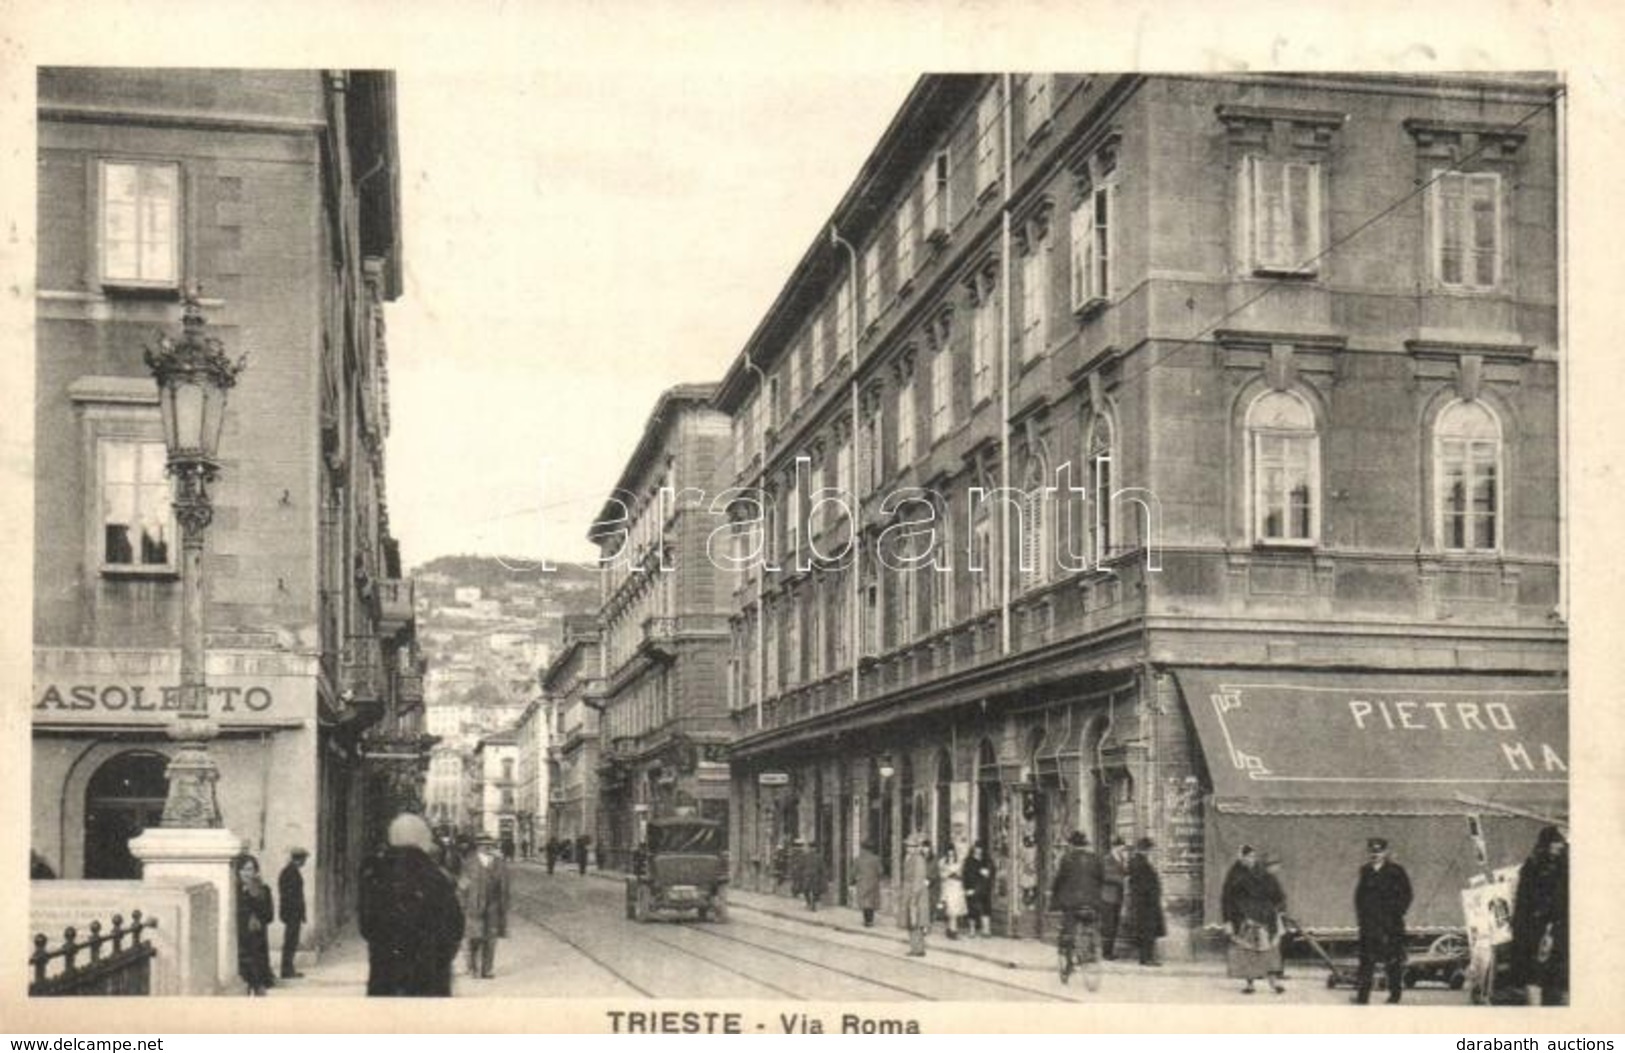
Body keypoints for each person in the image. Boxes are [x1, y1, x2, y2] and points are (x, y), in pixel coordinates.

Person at [359, 812, 466, 997]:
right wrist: (442, 956)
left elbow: (366, 926)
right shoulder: (437, 877)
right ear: (425, 840)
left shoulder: (375, 875)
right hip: (429, 977)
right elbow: (456, 927)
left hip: (386, 975)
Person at [1510, 825, 1568, 1006]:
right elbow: (1526, 900)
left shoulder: (1555, 866)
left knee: (1549, 977)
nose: (1560, 847)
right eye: (1556, 843)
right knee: (1537, 974)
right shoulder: (1537, 867)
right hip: (1539, 928)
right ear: (1548, 844)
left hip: (1548, 926)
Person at [1352, 836, 1412, 1004]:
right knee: (1366, 961)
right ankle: (1362, 996)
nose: (1375, 855)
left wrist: (1396, 914)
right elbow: (1359, 897)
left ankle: (1395, 994)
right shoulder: (1365, 871)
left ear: (1385, 853)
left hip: (1391, 925)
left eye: (1378, 852)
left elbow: (1407, 895)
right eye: (1372, 852)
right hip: (1369, 926)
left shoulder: (1396, 871)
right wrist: (1362, 919)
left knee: (1393, 961)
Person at [1221, 845, 1287, 994]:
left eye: (1253, 857)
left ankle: (1273, 983)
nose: (1251, 860)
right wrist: (1228, 920)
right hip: (1245, 918)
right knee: (1248, 952)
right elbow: (1227, 898)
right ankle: (1250, 984)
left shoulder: (1263, 873)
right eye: (1248, 857)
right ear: (1241, 858)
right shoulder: (1234, 874)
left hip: (1266, 917)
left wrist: (1278, 909)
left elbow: (1277, 894)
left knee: (1270, 950)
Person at [460, 833, 511, 979]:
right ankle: (472, 968)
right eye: (483, 844)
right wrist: (463, 905)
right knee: (474, 938)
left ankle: (487, 970)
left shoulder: (499, 863)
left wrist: (504, 905)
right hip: (473, 906)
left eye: (489, 844)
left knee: (491, 939)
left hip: (493, 906)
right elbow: (462, 886)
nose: (487, 847)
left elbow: (504, 886)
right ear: (478, 846)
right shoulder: (469, 863)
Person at [1051, 831, 1105, 959]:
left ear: (1071, 844)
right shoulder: (1095, 858)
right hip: (1091, 900)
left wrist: (1054, 895)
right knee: (1091, 922)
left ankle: (1067, 952)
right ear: (1085, 844)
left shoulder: (1067, 858)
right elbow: (1101, 878)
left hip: (1071, 901)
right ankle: (1090, 950)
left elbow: (1059, 879)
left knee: (1068, 925)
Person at [235, 854, 276, 996]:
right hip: (239, 945)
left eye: (251, 869)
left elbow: (269, 916)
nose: (248, 873)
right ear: (238, 871)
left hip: (257, 946)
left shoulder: (264, 890)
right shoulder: (233, 891)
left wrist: (255, 896)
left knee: (259, 988)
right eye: (244, 870)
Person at [1128, 837, 1166, 967]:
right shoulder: (1141, 863)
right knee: (1147, 930)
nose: (1152, 852)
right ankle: (1147, 958)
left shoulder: (1136, 861)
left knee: (1145, 930)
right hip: (1147, 903)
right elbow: (1145, 884)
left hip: (1143, 902)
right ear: (1146, 850)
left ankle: (1146, 957)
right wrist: (1154, 895)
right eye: (1150, 850)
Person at [278, 847, 309, 980]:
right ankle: (287, 970)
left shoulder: (290, 871)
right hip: (292, 913)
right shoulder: (290, 872)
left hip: (293, 912)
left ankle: (289, 968)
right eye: (304, 859)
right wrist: (297, 912)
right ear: (299, 859)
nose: (305, 862)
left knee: (291, 941)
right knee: (290, 941)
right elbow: (290, 895)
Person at [901, 836, 931, 957]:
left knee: (916, 921)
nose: (909, 848)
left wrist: (913, 897)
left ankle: (918, 949)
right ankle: (915, 947)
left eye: (911, 846)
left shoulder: (918, 859)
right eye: (908, 846)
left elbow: (919, 879)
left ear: (916, 848)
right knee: (911, 921)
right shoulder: (909, 858)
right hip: (909, 892)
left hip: (917, 894)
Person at [1100, 837, 1129, 960]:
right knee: (1108, 925)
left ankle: (1110, 950)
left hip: (1117, 896)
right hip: (1107, 897)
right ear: (1116, 847)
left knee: (1115, 924)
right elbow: (1106, 876)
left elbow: (1124, 872)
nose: (1123, 850)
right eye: (1122, 847)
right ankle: (1106, 952)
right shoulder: (1107, 859)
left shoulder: (1121, 858)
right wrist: (1122, 880)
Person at [962, 842, 995, 938]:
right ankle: (972, 931)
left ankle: (986, 930)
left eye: (980, 848)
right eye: (977, 848)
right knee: (972, 909)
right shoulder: (969, 861)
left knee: (986, 908)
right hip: (972, 888)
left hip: (984, 888)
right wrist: (967, 889)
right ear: (973, 849)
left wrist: (988, 873)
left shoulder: (987, 860)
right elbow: (965, 875)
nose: (978, 850)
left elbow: (992, 871)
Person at [939, 844, 968, 939]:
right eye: (949, 852)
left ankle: (952, 930)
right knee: (950, 909)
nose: (950, 854)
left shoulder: (959, 861)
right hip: (948, 886)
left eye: (952, 852)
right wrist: (947, 874)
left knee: (955, 910)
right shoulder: (943, 862)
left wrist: (955, 874)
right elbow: (942, 875)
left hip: (956, 887)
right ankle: (952, 930)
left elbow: (961, 874)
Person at [853, 842, 883, 927]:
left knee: (864, 902)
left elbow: (854, 871)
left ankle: (866, 920)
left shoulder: (858, 859)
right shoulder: (876, 859)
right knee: (871, 902)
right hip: (873, 883)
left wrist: (854, 879)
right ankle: (870, 920)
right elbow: (880, 871)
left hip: (862, 883)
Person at [802, 841, 828, 911]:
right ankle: (810, 903)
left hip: (814, 876)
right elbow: (802, 865)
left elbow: (822, 867)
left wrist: (823, 875)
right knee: (806, 890)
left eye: (813, 848)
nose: (812, 849)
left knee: (813, 891)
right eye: (811, 848)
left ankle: (812, 905)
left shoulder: (818, 857)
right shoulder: (806, 856)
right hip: (808, 876)